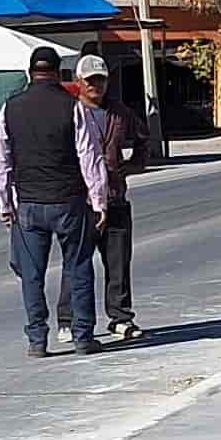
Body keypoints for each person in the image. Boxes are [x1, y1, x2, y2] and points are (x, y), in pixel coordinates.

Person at [0, 47, 111, 357]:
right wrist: (99, 201)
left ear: (30, 72)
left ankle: (37, 340)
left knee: (31, 274)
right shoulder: (73, 107)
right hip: (68, 201)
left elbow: (2, 161)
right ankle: (83, 337)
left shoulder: (10, 108)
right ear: (59, 72)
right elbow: (90, 156)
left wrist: (5, 204)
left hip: (28, 204)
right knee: (79, 267)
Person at [74, 52, 141, 343]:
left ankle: (120, 317)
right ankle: (73, 320)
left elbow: (143, 138)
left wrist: (133, 164)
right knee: (77, 264)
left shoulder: (120, 112)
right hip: (81, 201)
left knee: (118, 262)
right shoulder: (72, 112)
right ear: (79, 82)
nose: (95, 86)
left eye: (100, 80)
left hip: (114, 196)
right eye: (90, 81)